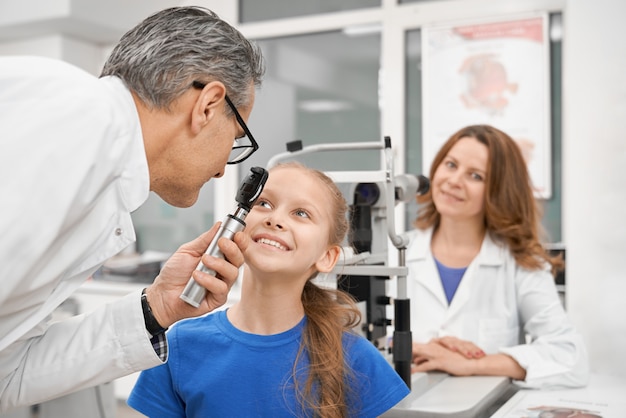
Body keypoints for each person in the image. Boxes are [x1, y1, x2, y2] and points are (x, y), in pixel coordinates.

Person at [0, 6, 265, 412]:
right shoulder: (76, 120)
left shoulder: (99, 167)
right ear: (208, 106)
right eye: (236, 137)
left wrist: (156, 308)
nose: (222, 168)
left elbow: (9, 373)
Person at [127, 163, 410, 418]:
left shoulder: (355, 357)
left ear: (327, 257)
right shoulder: (179, 346)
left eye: (301, 213)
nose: (275, 219)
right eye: (263, 203)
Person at [406, 124, 589, 389]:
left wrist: (472, 364)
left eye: (476, 176)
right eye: (451, 164)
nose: (454, 181)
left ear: (499, 190)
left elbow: (571, 358)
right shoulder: (394, 253)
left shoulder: (520, 263)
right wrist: (401, 346)